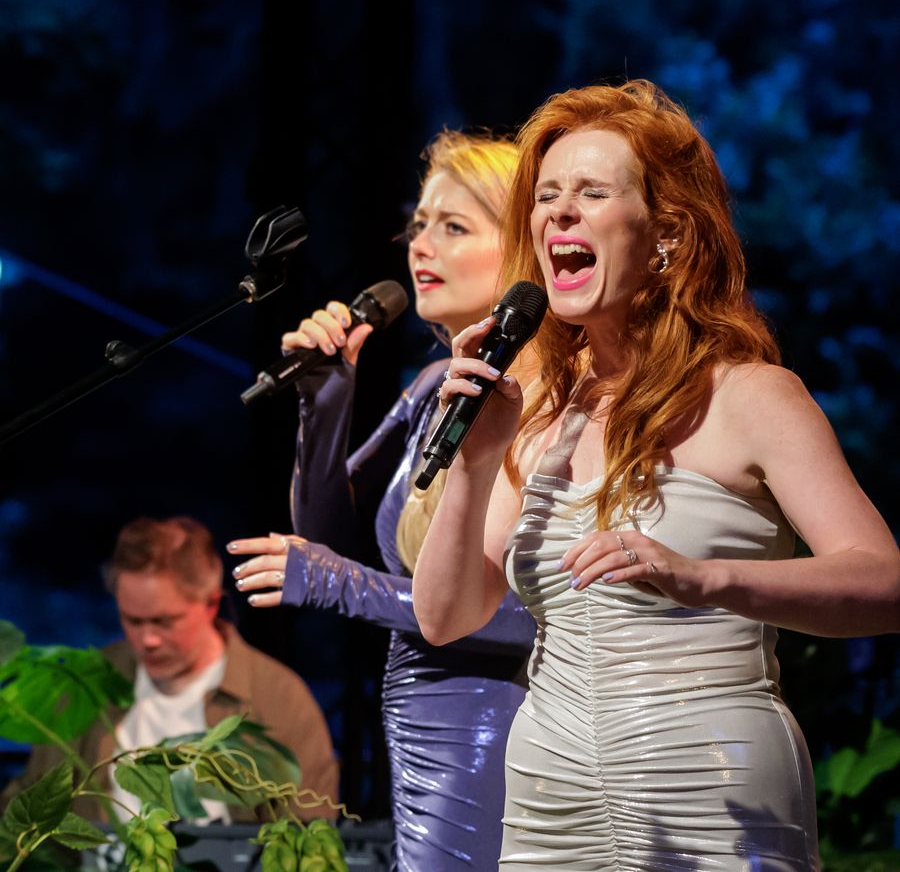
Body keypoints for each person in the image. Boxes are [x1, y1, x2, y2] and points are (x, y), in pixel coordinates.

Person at [411, 80, 900, 869]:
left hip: (711, 788)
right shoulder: (536, 409)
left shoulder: (751, 395)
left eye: (591, 193)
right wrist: (473, 460)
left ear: (666, 233)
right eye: (546, 197)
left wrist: (706, 577)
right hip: (549, 806)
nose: (558, 214)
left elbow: (884, 582)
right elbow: (444, 616)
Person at [227, 130, 537, 871]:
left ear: (524, 252)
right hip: (421, 743)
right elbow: (329, 537)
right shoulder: (433, 388)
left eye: (454, 227)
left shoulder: (542, 402)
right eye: (418, 226)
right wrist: (326, 401)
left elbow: (530, 617)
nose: (420, 246)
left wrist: (340, 584)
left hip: (493, 736)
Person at [2, 516, 339, 823]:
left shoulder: (276, 696)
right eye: (133, 620)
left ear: (210, 603)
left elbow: (308, 836)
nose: (147, 640)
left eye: (164, 622)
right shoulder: (89, 682)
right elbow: (27, 810)